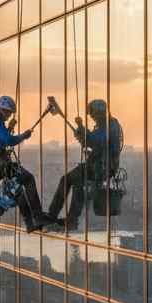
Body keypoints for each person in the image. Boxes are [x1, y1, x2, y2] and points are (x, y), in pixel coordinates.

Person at [47, 99, 123, 231]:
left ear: (100, 113)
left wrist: (82, 128)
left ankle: (68, 219)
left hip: (103, 167)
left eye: (94, 116)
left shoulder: (112, 126)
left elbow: (95, 139)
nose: (93, 119)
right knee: (69, 180)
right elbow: (93, 141)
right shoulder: (105, 126)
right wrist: (82, 133)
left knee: (75, 181)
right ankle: (59, 217)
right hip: (97, 165)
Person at [0, 95, 52, 233]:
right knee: (28, 179)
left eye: (10, 113)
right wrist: (24, 136)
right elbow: (9, 141)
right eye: (7, 112)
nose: (8, 116)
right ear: (0, 109)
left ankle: (30, 224)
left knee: (18, 191)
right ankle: (38, 217)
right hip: (0, 164)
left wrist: (9, 128)